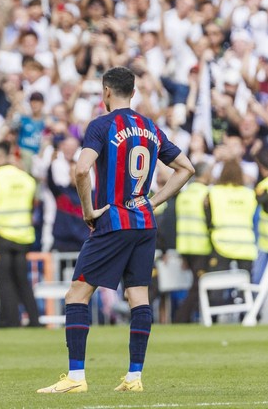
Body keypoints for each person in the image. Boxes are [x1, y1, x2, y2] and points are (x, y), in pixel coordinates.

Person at [38, 67, 194, 394]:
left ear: (105, 91)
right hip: (144, 223)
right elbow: (186, 169)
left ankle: (76, 377)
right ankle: (134, 377)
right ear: (133, 92)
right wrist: (154, 202)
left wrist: (87, 211)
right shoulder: (151, 127)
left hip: (113, 222)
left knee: (77, 294)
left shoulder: (101, 125)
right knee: (138, 296)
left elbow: (82, 170)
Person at [0, 142, 41, 328]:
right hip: (23, 236)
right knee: (22, 281)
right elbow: (33, 205)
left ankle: (11, 321)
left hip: (1, 236)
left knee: (5, 283)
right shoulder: (26, 178)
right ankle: (35, 320)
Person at [172, 163, 212, 323]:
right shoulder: (207, 194)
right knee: (198, 286)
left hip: (184, 246)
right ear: (206, 173)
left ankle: (190, 317)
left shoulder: (184, 195)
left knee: (196, 285)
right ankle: (181, 318)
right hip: (201, 246)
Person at [206, 160, 258, 273]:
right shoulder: (250, 194)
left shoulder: (214, 192)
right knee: (245, 286)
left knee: (219, 285)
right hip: (246, 245)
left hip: (221, 243)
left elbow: (207, 217)